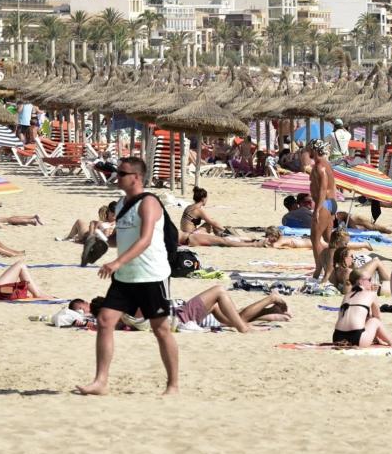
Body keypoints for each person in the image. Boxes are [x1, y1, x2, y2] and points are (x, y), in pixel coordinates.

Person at [75, 156, 179, 396]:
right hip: (126, 277)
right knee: (104, 321)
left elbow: (145, 240)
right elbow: (118, 239)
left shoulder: (150, 203)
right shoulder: (121, 204)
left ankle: (173, 385)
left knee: (161, 330)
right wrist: (99, 241)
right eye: (117, 173)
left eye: (122, 174)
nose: (117, 177)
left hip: (152, 276)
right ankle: (100, 382)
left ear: (136, 177)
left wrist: (117, 262)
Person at [173, 287, 291, 332]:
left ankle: (270, 309)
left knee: (237, 317)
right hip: (180, 315)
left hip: (179, 312)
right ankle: (270, 307)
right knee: (237, 317)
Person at [333, 272, 392, 347]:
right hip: (357, 338)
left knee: (368, 319)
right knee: (375, 320)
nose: (371, 282)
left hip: (337, 338)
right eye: (369, 280)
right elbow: (377, 318)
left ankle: (378, 340)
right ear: (360, 281)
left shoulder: (347, 295)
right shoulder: (371, 294)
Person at [308, 140, 338, 279]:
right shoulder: (326, 164)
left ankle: (318, 270)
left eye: (309, 148)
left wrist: (317, 209)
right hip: (330, 203)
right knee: (328, 238)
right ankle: (338, 262)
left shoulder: (320, 166)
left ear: (314, 150)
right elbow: (333, 186)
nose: (307, 150)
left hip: (324, 204)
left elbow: (323, 188)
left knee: (315, 238)